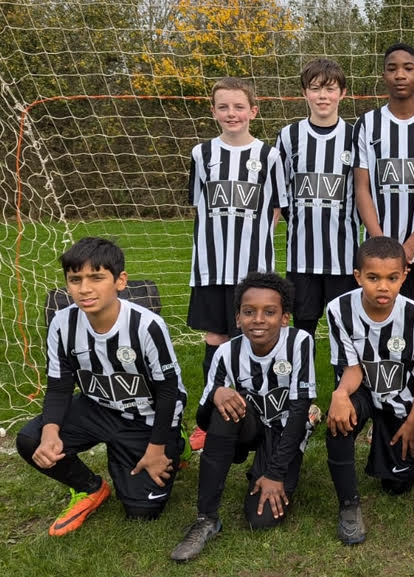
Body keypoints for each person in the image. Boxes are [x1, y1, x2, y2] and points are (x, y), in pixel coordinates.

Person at [17, 237, 187, 535]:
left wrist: (158, 448)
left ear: (120, 281)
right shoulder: (61, 323)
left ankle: (176, 441)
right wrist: (50, 432)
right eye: (75, 279)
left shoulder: (146, 325)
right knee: (30, 440)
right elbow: (59, 386)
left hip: (146, 417)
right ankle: (90, 488)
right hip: (97, 407)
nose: (84, 289)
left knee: (141, 512)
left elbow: (169, 392)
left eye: (96, 277)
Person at [170, 272, 316, 562]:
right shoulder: (226, 352)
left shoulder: (299, 342)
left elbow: (299, 410)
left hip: (285, 430)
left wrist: (274, 474)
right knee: (224, 409)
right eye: (249, 312)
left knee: (260, 520)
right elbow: (203, 419)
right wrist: (216, 395)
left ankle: (264, 470)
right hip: (248, 428)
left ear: (285, 318)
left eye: (270, 312)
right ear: (237, 318)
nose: (258, 319)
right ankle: (206, 518)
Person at [187, 77, 283, 450]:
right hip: (211, 267)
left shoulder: (270, 156)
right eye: (224, 107)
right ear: (213, 112)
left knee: (251, 337)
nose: (232, 113)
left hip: (253, 272)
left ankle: (252, 409)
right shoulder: (202, 154)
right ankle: (211, 412)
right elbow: (199, 205)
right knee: (216, 337)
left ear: (253, 112)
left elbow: (277, 208)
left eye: (239, 106)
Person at [325, 236, 414, 545]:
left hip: (401, 396)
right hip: (360, 389)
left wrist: (413, 418)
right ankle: (349, 505)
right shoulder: (338, 310)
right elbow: (352, 368)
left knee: (396, 485)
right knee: (338, 424)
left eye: (392, 278)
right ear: (358, 276)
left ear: (404, 276)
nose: (382, 287)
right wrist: (340, 395)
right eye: (373, 278)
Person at [353, 42, 414, 309]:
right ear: (383, 76)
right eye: (392, 69)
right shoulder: (367, 124)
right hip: (377, 250)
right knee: (376, 317)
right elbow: (362, 188)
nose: (400, 75)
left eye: (408, 68)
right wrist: (382, 243)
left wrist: (411, 244)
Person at [274, 58, 360, 338]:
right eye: (315, 88)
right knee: (302, 327)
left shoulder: (355, 136)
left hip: (344, 257)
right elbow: (280, 193)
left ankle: (345, 382)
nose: (323, 96)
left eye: (330, 89)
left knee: (345, 329)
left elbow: (362, 192)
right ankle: (302, 381)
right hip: (301, 257)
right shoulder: (289, 136)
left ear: (342, 93)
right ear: (304, 93)